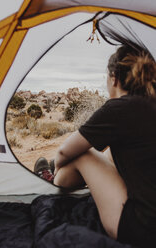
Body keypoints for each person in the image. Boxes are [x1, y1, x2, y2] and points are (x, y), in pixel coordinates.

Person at [34, 45, 156, 247]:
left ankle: (51, 178)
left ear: (114, 77)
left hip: (141, 227)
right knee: (109, 154)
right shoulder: (150, 104)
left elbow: (65, 150)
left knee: (82, 154)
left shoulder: (120, 107)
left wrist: (61, 163)